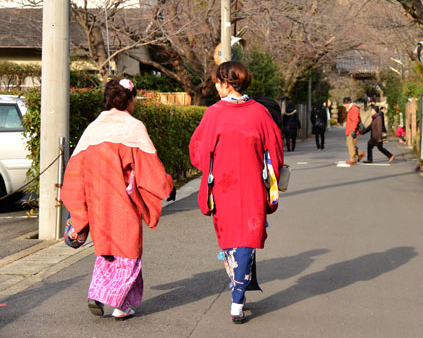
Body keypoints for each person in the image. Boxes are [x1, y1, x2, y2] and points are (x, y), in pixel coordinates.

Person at [61, 78, 174, 321]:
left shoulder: (93, 129)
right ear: (130, 100)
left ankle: (100, 293)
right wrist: (167, 184)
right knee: (129, 253)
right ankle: (119, 305)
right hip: (123, 201)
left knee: (107, 252)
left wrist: (80, 210)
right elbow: (149, 170)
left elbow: (75, 171)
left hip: (97, 202)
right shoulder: (133, 128)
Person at [189, 61, 284, 324]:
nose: (215, 87)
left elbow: (198, 152)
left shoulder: (214, 114)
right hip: (252, 185)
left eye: (216, 82)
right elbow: (275, 153)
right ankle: (238, 296)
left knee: (232, 239)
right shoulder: (261, 113)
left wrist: (214, 163)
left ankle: (237, 296)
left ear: (225, 83)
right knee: (247, 237)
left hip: (222, 186)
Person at [343, 96, 365, 165]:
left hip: (352, 130)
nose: (344, 105)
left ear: (348, 103)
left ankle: (353, 160)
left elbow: (356, 120)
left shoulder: (354, 109)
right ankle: (360, 153)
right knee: (350, 144)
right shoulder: (351, 109)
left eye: (345, 104)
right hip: (350, 130)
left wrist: (352, 130)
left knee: (351, 145)